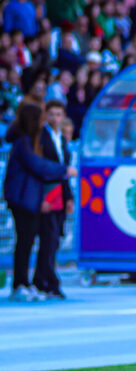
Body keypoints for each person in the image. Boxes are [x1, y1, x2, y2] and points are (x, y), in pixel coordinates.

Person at [4, 102, 78, 301]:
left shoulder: (30, 141)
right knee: (25, 243)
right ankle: (20, 284)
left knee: (30, 242)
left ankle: (29, 283)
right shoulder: (24, 143)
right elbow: (38, 166)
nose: (45, 121)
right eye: (43, 117)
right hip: (23, 199)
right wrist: (63, 170)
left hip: (30, 198)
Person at [33, 100, 73, 298]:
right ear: (46, 115)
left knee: (54, 238)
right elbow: (41, 169)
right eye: (52, 114)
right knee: (47, 238)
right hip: (47, 192)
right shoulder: (41, 138)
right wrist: (42, 196)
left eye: (59, 114)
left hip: (60, 193)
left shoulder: (62, 140)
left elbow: (64, 172)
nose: (55, 118)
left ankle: (42, 278)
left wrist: (69, 197)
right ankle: (49, 281)